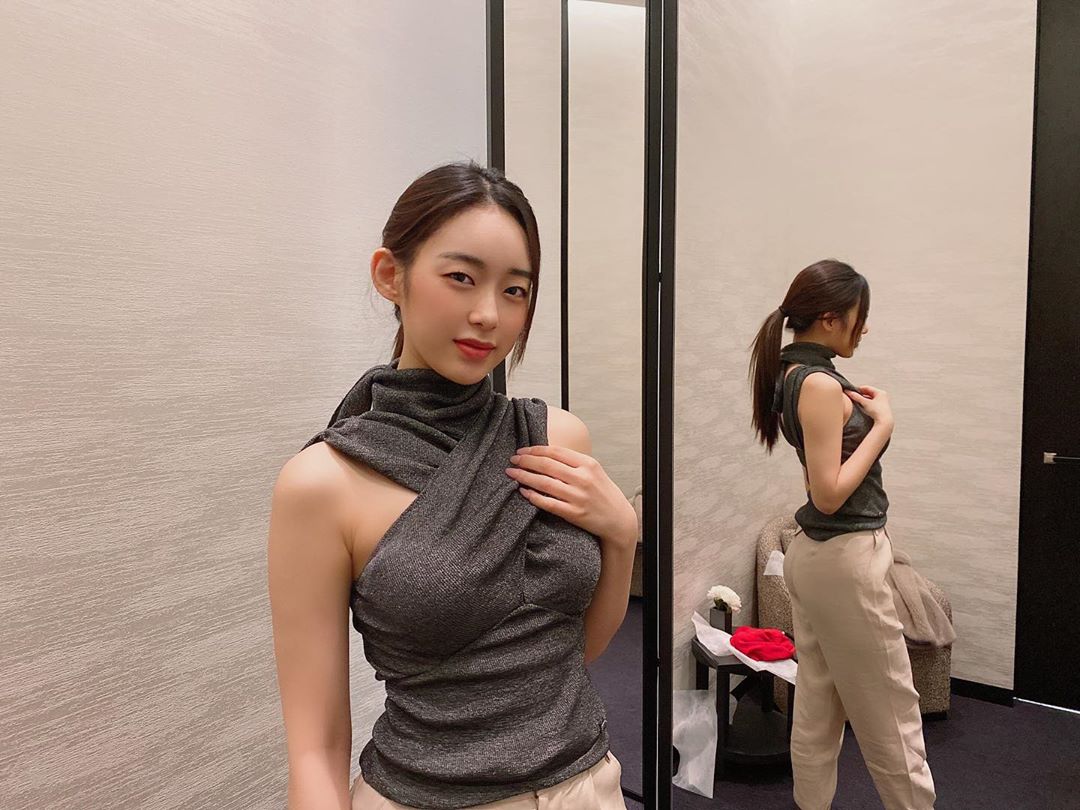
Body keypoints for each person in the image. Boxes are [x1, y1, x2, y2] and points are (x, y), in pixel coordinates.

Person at [268, 161, 637, 810]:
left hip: (589, 788)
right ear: (391, 275)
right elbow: (315, 750)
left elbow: (574, 651)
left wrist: (623, 536)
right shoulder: (322, 484)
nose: (489, 315)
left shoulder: (556, 439)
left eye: (515, 290)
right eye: (461, 278)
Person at [748, 259, 936, 810]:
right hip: (844, 559)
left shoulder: (793, 375)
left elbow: (818, 483)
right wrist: (884, 425)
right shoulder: (819, 385)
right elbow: (827, 493)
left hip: (820, 558)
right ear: (830, 319)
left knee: (819, 704)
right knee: (892, 714)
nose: (865, 328)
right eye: (860, 316)